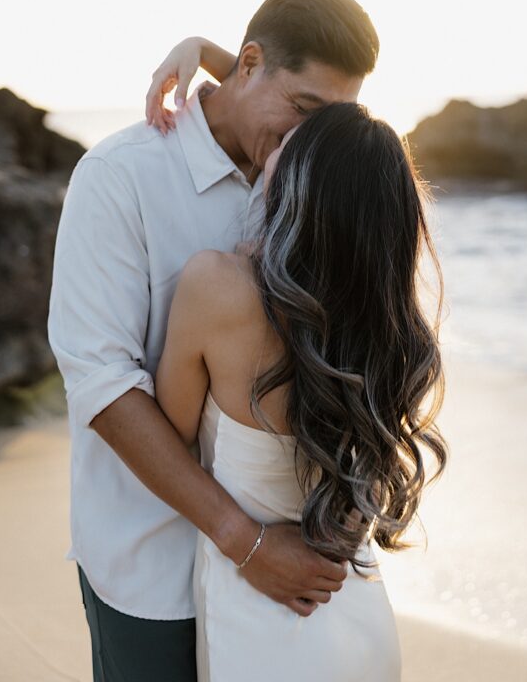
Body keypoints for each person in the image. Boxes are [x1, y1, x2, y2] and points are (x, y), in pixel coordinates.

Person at [47, 0, 380, 681]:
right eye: (302, 111)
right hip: (153, 562)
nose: (306, 140)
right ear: (250, 64)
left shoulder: (312, 178)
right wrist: (245, 542)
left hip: (299, 557)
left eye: (329, 122)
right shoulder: (119, 179)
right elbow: (103, 384)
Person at [154, 101, 447, 680]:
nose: (270, 150)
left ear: (299, 182)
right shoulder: (390, 332)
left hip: (260, 620)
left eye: (288, 143)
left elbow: (171, 431)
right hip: (355, 609)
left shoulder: (216, 287)